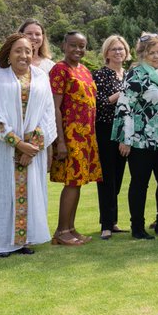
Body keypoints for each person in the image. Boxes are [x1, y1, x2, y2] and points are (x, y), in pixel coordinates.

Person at [0, 33, 58, 257]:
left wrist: (31, 147)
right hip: (5, 149)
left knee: (31, 194)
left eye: (28, 50)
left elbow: (48, 114)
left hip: (34, 149)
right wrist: (18, 144)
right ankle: (2, 244)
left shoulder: (41, 77)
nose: (24, 55)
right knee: (3, 195)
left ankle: (22, 240)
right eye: (18, 50)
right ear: (9, 53)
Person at [113, 32, 158, 239]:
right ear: (143, 55)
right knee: (140, 183)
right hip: (140, 140)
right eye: (151, 52)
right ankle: (137, 227)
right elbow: (124, 107)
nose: (157, 56)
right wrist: (125, 139)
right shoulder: (136, 75)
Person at [49, 31, 102, 245]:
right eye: (73, 45)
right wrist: (60, 141)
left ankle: (70, 228)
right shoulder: (59, 70)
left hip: (86, 135)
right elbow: (55, 108)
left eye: (82, 46)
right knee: (71, 183)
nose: (78, 49)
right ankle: (61, 232)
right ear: (64, 45)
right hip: (70, 135)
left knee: (78, 183)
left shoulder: (85, 70)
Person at [93, 35, 131, 239]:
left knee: (118, 176)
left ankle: (113, 221)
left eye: (121, 49)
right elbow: (100, 103)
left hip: (126, 130)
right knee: (106, 177)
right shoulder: (99, 75)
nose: (118, 52)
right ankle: (106, 225)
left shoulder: (129, 74)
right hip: (106, 129)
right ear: (106, 52)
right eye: (114, 49)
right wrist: (123, 93)